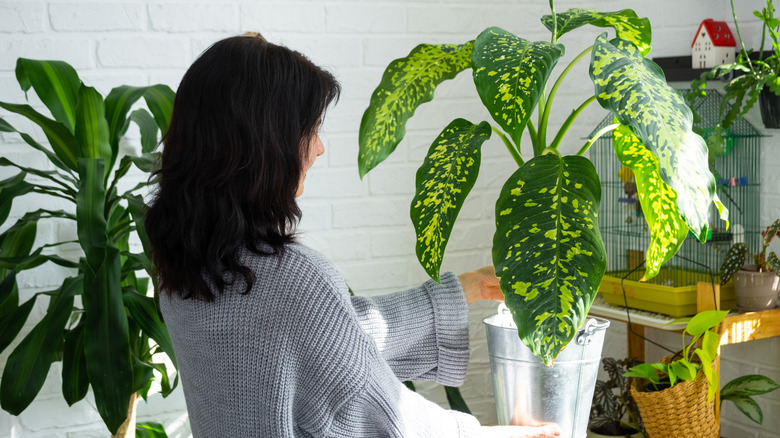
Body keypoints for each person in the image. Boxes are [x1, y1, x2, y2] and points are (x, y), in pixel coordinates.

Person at [145, 33, 561, 438]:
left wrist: (465, 289)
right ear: (267, 146)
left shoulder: (186, 269)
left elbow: (332, 339)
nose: (319, 148)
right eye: (311, 130)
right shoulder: (293, 280)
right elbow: (379, 412)